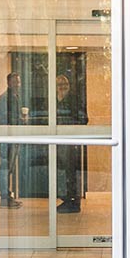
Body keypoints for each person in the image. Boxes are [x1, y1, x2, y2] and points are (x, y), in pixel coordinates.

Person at [55, 71, 86, 214]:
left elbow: (83, 118)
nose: (62, 87)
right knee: (63, 171)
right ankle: (67, 199)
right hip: (59, 141)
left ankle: (73, 201)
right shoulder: (54, 100)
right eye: (59, 84)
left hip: (71, 141)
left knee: (72, 172)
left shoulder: (74, 99)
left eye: (65, 84)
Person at [0, 69, 26, 208]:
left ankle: (7, 195)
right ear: (8, 83)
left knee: (10, 167)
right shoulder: (4, 99)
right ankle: (4, 197)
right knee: (6, 166)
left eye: (18, 82)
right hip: (6, 137)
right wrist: (18, 120)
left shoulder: (15, 97)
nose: (17, 84)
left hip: (13, 137)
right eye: (14, 82)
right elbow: (3, 118)